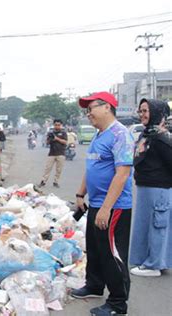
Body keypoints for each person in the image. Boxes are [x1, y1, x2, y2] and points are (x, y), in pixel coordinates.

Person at [71, 92, 134, 316]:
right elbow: (92, 168)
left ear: (107, 107)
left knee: (112, 254)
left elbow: (122, 175)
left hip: (114, 207)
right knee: (96, 250)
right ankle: (95, 285)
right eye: (87, 110)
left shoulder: (121, 135)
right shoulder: (99, 135)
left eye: (91, 109)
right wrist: (80, 195)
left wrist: (107, 208)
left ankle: (118, 303)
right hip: (97, 204)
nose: (88, 114)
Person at [129, 99, 172, 277]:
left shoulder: (162, 138)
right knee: (146, 226)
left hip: (158, 189)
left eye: (146, 111)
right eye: (140, 111)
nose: (142, 114)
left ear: (157, 112)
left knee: (157, 226)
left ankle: (154, 265)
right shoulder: (148, 134)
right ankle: (151, 260)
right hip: (147, 187)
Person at [38, 119, 67, 188]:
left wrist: (57, 139)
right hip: (52, 153)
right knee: (47, 168)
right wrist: (50, 139)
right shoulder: (50, 133)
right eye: (56, 125)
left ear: (61, 125)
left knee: (59, 169)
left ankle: (56, 182)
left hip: (61, 153)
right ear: (54, 125)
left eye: (58, 125)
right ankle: (43, 181)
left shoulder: (63, 133)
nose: (57, 126)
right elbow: (47, 142)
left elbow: (65, 142)